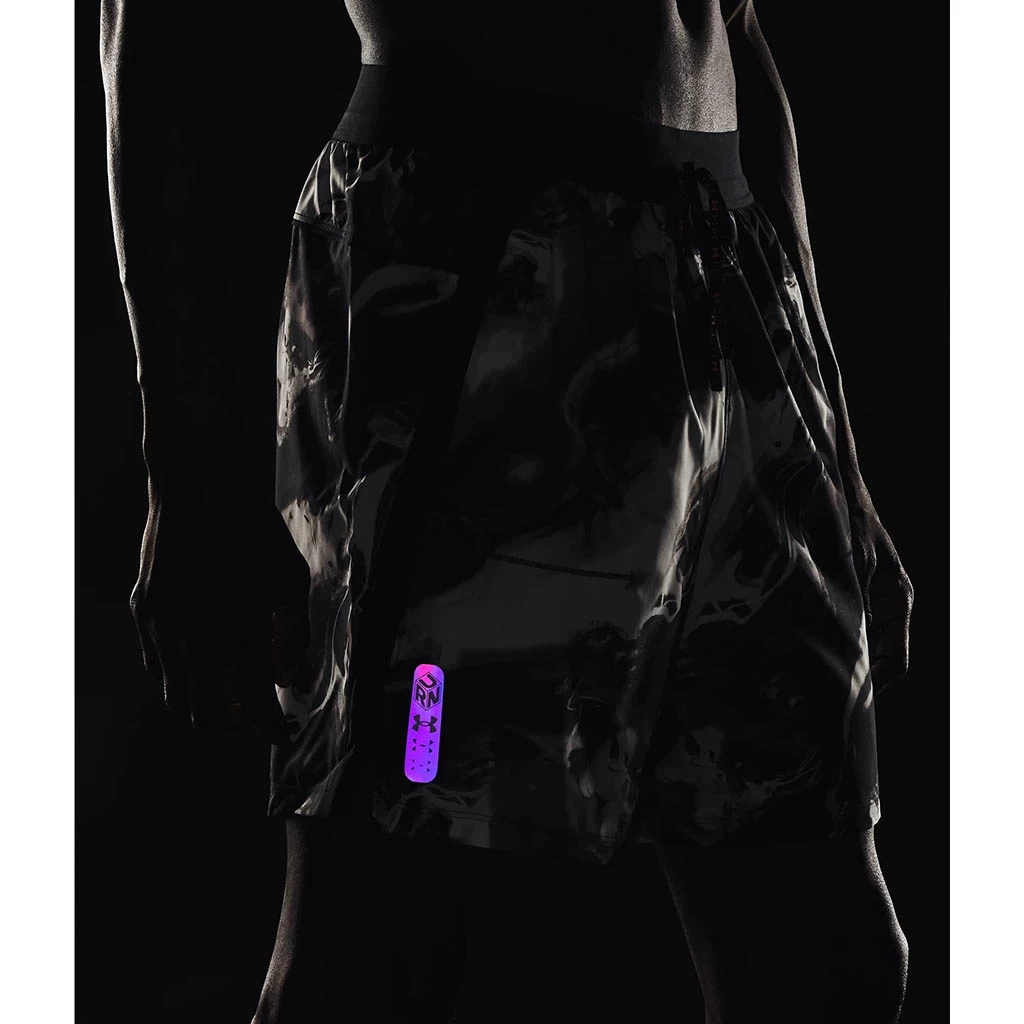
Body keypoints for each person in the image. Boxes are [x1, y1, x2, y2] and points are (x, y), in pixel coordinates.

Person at [101, 2, 914, 1022]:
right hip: (479, 251)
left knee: (830, 962)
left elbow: (739, 29)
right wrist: (186, 475)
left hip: (730, 266)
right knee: (378, 942)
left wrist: (836, 457)